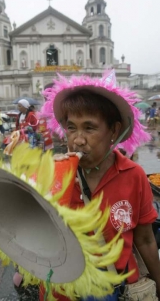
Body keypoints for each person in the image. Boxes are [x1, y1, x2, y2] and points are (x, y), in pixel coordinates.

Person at [36, 74, 160, 300]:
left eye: (89, 128)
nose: (78, 140)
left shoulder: (134, 175)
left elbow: (145, 239)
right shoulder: (53, 173)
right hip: (61, 290)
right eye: (71, 127)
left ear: (114, 131)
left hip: (111, 288)